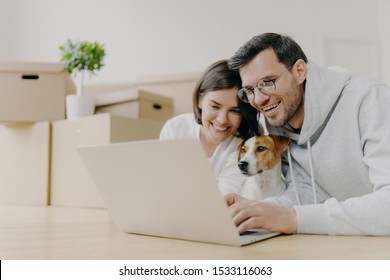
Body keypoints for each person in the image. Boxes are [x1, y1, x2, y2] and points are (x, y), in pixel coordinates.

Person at [225, 32, 390, 236]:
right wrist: (255, 209)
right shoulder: (279, 120)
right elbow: (305, 190)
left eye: (268, 82)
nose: (258, 99)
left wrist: (293, 218)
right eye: (249, 90)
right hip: (343, 246)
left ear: (300, 71)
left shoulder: (369, 99)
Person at [160, 59, 263, 197]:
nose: (222, 120)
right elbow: (164, 183)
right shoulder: (175, 128)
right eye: (215, 106)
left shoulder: (246, 142)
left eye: (234, 111)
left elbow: (224, 197)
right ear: (199, 100)